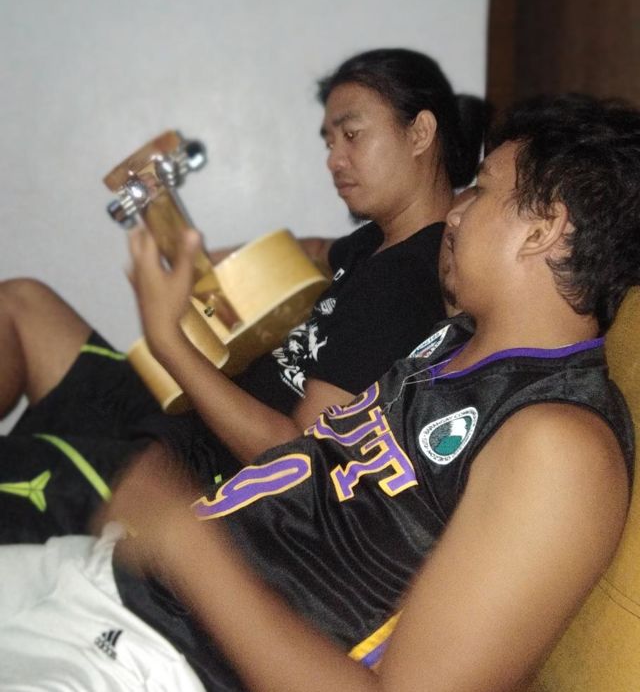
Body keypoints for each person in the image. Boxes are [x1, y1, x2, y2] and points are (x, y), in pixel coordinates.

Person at [0, 93, 637, 692]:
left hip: (156, 662)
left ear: (544, 229)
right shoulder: (458, 341)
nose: (457, 210)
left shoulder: (561, 446)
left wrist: (190, 547)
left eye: (484, 189)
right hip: (110, 578)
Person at [0, 47, 487, 542]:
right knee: (21, 305)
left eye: (352, 135)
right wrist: (196, 258)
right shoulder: (376, 243)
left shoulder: (403, 283)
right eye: (329, 142)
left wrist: (168, 340)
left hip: (186, 469)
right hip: (178, 417)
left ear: (420, 133)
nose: (334, 160)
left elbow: (298, 460)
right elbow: (315, 251)